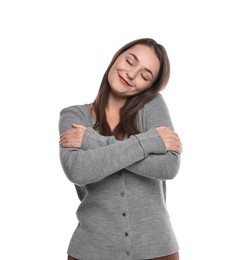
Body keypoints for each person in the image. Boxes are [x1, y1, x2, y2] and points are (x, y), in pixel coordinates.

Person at [59, 38, 182, 260]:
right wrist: (150, 142)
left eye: (145, 76)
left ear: (150, 86)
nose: (132, 74)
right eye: (130, 61)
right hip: (90, 251)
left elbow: (168, 166)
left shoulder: (151, 106)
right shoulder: (74, 117)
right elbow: (78, 171)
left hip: (157, 251)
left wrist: (92, 142)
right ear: (117, 56)